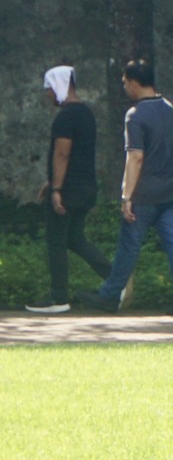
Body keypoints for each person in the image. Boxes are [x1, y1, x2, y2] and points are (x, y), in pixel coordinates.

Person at [85, 60, 173, 314]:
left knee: (129, 245)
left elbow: (136, 157)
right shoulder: (169, 108)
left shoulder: (135, 115)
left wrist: (127, 196)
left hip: (144, 193)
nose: (125, 88)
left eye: (125, 83)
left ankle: (110, 295)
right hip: (171, 190)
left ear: (134, 82)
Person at [28, 66, 111, 314]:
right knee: (75, 238)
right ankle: (116, 276)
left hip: (68, 190)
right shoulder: (86, 114)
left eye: (48, 90)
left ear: (57, 87)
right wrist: (51, 180)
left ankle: (59, 297)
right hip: (85, 187)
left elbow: (63, 154)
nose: (48, 96)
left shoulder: (65, 117)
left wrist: (56, 188)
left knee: (56, 241)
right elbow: (78, 156)